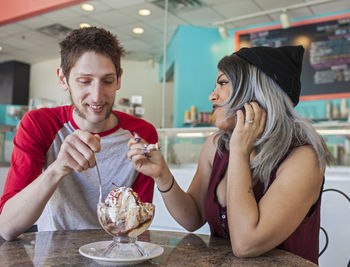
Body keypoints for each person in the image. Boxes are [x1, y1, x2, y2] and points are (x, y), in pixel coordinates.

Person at [127, 45, 333, 264]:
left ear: (257, 92)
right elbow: (193, 218)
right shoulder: (216, 146)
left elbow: (246, 243)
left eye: (223, 83)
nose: (212, 95)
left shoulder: (303, 159)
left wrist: (239, 151)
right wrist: (162, 175)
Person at [0, 27, 157, 241]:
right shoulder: (40, 124)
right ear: (63, 79)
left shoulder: (142, 133)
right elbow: (7, 227)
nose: (97, 96)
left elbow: (137, 225)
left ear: (119, 79)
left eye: (108, 81)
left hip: (117, 254)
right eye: (85, 81)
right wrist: (58, 168)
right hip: (54, 256)